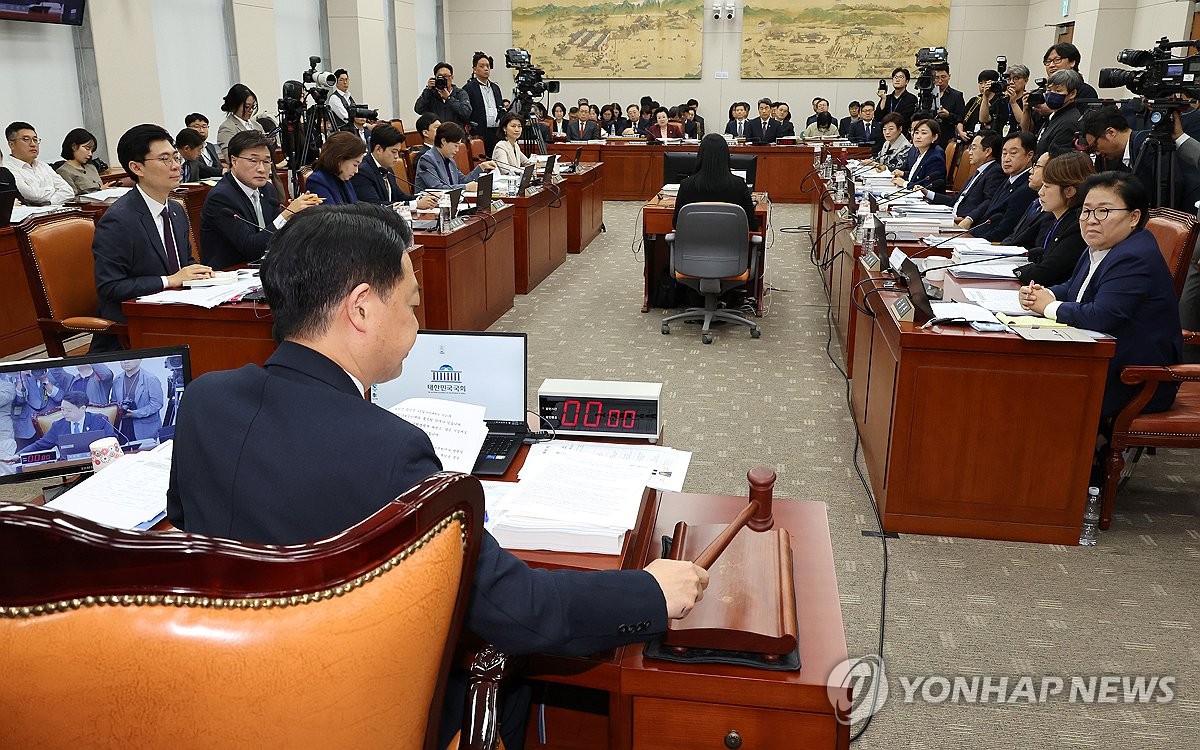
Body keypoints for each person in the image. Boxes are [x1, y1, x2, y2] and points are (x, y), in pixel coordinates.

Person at [164, 202, 709, 748]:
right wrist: (649, 592)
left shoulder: (205, 401)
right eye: (411, 304)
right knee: (507, 675)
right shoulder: (388, 449)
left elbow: (187, 532)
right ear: (361, 307)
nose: (418, 323)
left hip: (226, 695)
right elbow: (518, 609)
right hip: (351, 713)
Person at [1020, 171, 1181, 419]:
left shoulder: (1134, 256)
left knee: (1024, 387)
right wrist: (1043, 294)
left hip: (1134, 378)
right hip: (1100, 362)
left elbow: (1102, 315)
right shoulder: (1103, 244)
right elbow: (1077, 287)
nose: (1091, 220)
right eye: (1086, 211)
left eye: (1103, 211)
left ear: (1134, 217)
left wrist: (1049, 307)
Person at [91, 124, 213, 352]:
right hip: (135, 332)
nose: (176, 166)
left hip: (177, 315)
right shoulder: (118, 220)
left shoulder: (175, 210)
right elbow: (110, 287)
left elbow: (184, 264)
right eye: (165, 159)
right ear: (137, 167)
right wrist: (169, 280)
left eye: (175, 157)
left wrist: (202, 275)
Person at [200, 131, 321, 270]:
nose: (262, 169)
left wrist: (299, 217)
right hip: (230, 274)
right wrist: (287, 214)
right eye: (253, 161)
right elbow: (251, 248)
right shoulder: (221, 198)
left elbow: (278, 235)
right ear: (234, 161)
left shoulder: (267, 189)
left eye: (266, 161)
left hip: (266, 268)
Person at [1077, 104, 1196, 210]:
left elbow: (1168, 186)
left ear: (1111, 133)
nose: (1097, 153)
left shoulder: (1149, 145)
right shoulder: (1130, 149)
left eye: (1095, 146)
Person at [1012, 151, 1092, 285]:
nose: (1040, 192)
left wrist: (1015, 271)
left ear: (1069, 191)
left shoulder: (1078, 226)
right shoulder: (1057, 218)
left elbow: (1043, 273)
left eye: (1047, 186)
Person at [673, 133, 759, 232]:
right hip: (730, 241)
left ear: (701, 155)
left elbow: (676, 223)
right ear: (726, 155)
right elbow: (752, 225)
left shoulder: (686, 185)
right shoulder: (739, 185)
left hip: (693, 241)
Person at [924, 129, 1005, 229]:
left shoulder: (995, 172)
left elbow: (989, 201)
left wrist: (970, 218)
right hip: (951, 216)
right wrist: (927, 193)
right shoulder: (980, 171)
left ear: (988, 151)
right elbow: (956, 200)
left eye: (974, 148)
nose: (970, 152)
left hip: (962, 222)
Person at [350, 124, 437, 209]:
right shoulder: (362, 171)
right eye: (394, 152)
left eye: (398, 152)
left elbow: (399, 196)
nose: (397, 156)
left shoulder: (387, 168)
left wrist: (422, 198)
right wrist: (415, 204)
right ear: (378, 149)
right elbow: (375, 206)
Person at [973, 131, 1037, 242]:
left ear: (1029, 156)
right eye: (1004, 153)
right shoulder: (1008, 180)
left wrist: (973, 240)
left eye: (1013, 153)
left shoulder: (1027, 188)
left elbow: (1004, 231)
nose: (1006, 159)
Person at [16, 391, 117, 455]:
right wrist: (18, 455)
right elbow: (40, 445)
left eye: (68, 410)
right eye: (62, 409)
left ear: (82, 408)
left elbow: (112, 440)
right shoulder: (58, 426)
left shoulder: (100, 420)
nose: (64, 413)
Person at [3, 122, 73, 206]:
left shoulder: (43, 166)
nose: (33, 144)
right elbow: (32, 195)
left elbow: (69, 191)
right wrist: (54, 189)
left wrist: (49, 202)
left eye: (35, 140)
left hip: (55, 209)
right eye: (26, 139)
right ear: (11, 145)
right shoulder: (7, 169)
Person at [414, 122, 495, 192]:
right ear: (443, 141)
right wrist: (465, 187)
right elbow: (437, 188)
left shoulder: (450, 160)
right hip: (430, 203)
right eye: (456, 145)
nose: (457, 150)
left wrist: (481, 167)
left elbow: (463, 181)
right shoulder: (427, 160)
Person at [1002, 150, 1055, 246]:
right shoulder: (1035, 203)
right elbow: (1014, 235)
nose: (1031, 171)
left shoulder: (1052, 211)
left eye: (1037, 166)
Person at [1030, 69, 1083, 158]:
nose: (1051, 94)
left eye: (1058, 91)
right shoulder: (1054, 116)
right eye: (1049, 90)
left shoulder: (1069, 122)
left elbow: (1056, 157)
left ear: (1072, 94)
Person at [304, 131, 365, 205]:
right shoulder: (317, 181)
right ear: (339, 159)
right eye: (355, 165)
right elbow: (330, 211)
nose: (356, 171)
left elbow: (356, 204)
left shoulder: (343, 177)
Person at [463, 52, 506, 156]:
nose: (486, 69)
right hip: (479, 132)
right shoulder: (469, 88)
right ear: (474, 69)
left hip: (496, 131)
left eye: (488, 66)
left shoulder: (495, 87)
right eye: (482, 66)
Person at [112, 358, 164, 442]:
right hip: (122, 428)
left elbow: (157, 404)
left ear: (140, 359)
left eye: (130, 358)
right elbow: (113, 403)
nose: (126, 361)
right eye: (122, 359)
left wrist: (136, 413)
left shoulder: (151, 379)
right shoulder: (117, 380)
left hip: (145, 429)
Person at [891, 118, 946, 192]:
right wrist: (903, 174)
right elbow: (917, 176)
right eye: (916, 132)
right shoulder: (919, 152)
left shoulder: (935, 158)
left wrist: (904, 183)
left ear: (934, 137)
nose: (918, 136)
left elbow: (927, 188)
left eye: (923, 133)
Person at [414, 62, 471, 128]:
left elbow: (466, 112)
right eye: (440, 77)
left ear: (452, 77)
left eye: (446, 76)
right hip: (437, 132)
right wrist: (428, 90)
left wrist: (449, 98)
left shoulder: (460, 93)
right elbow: (418, 109)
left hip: (455, 132)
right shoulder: (431, 94)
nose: (443, 79)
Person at [217, 84, 265, 160]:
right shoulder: (227, 128)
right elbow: (230, 157)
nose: (251, 110)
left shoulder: (257, 126)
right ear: (235, 106)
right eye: (247, 107)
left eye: (253, 106)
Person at [957, 69, 1004, 143]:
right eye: (980, 83)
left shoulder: (999, 101)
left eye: (986, 83)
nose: (982, 86)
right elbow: (960, 120)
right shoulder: (974, 100)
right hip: (968, 140)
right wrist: (961, 132)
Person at [55, 128, 103, 195]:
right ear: (74, 147)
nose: (90, 154)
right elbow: (71, 197)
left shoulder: (91, 168)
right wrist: (99, 191)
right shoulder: (63, 171)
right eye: (87, 148)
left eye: (92, 150)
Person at [930, 64, 966, 149]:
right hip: (930, 135)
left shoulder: (956, 96)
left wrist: (948, 115)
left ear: (949, 76)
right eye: (937, 78)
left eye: (943, 77)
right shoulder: (929, 95)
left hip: (946, 136)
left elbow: (962, 118)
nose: (940, 81)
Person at [491, 111, 533, 179]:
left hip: (515, 180)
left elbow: (527, 163)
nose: (517, 129)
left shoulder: (515, 145)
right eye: (513, 126)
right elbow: (505, 169)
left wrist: (537, 164)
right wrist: (523, 171)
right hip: (503, 183)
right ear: (504, 128)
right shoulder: (501, 146)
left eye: (519, 126)